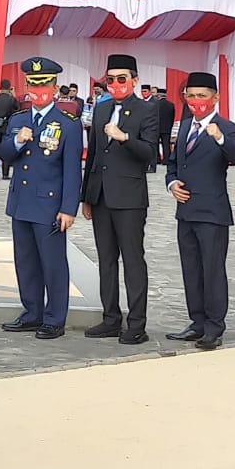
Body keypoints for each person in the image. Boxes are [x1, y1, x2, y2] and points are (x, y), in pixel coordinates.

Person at [0, 57, 82, 339]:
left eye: (44, 84)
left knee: (53, 264)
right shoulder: (18, 120)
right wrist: (17, 141)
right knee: (25, 263)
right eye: (33, 85)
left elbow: (72, 170)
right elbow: (4, 154)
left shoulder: (68, 124)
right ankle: (32, 313)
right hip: (21, 202)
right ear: (26, 87)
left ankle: (54, 318)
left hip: (49, 205)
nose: (38, 90)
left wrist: (68, 208)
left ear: (55, 87)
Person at [80, 53, 159, 344]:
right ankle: (110, 318)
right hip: (101, 196)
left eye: (121, 78)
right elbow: (93, 155)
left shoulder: (147, 110)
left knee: (133, 260)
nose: (115, 84)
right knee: (106, 260)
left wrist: (125, 138)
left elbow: (150, 154)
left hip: (129, 198)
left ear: (134, 80)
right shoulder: (101, 108)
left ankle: (137, 323)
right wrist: (87, 196)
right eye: (110, 79)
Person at [163, 73, 235, 350]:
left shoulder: (227, 127)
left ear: (215, 98)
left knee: (212, 270)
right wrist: (172, 183)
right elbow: (173, 163)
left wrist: (220, 138)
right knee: (191, 270)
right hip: (186, 211)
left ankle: (214, 326)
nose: (196, 100)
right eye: (191, 96)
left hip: (212, 213)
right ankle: (196, 322)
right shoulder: (185, 125)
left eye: (202, 95)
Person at [0, 80, 19, 179]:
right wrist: (14, 96)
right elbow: (17, 109)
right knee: (6, 149)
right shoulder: (11, 99)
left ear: (0, 87)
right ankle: (5, 174)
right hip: (6, 126)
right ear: (9, 88)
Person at [156, 87, 176, 166]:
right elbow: (172, 117)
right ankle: (166, 160)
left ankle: (157, 159)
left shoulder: (155, 105)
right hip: (167, 128)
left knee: (156, 144)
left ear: (159, 95)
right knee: (166, 144)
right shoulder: (171, 105)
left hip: (156, 128)